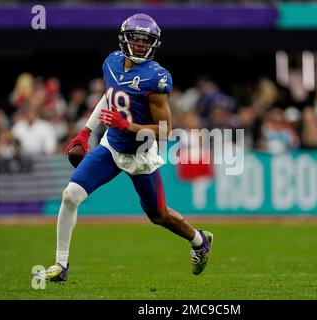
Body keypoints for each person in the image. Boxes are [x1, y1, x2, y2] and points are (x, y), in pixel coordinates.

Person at [34, 14, 213, 282]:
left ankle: (199, 240)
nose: (140, 45)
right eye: (136, 39)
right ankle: (61, 265)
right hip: (111, 147)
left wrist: (126, 125)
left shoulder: (156, 79)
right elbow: (109, 97)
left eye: (146, 41)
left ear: (154, 44)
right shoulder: (112, 62)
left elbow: (165, 130)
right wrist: (85, 131)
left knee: (159, 215)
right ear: (124, 39)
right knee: (70, 195)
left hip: (140, 155)